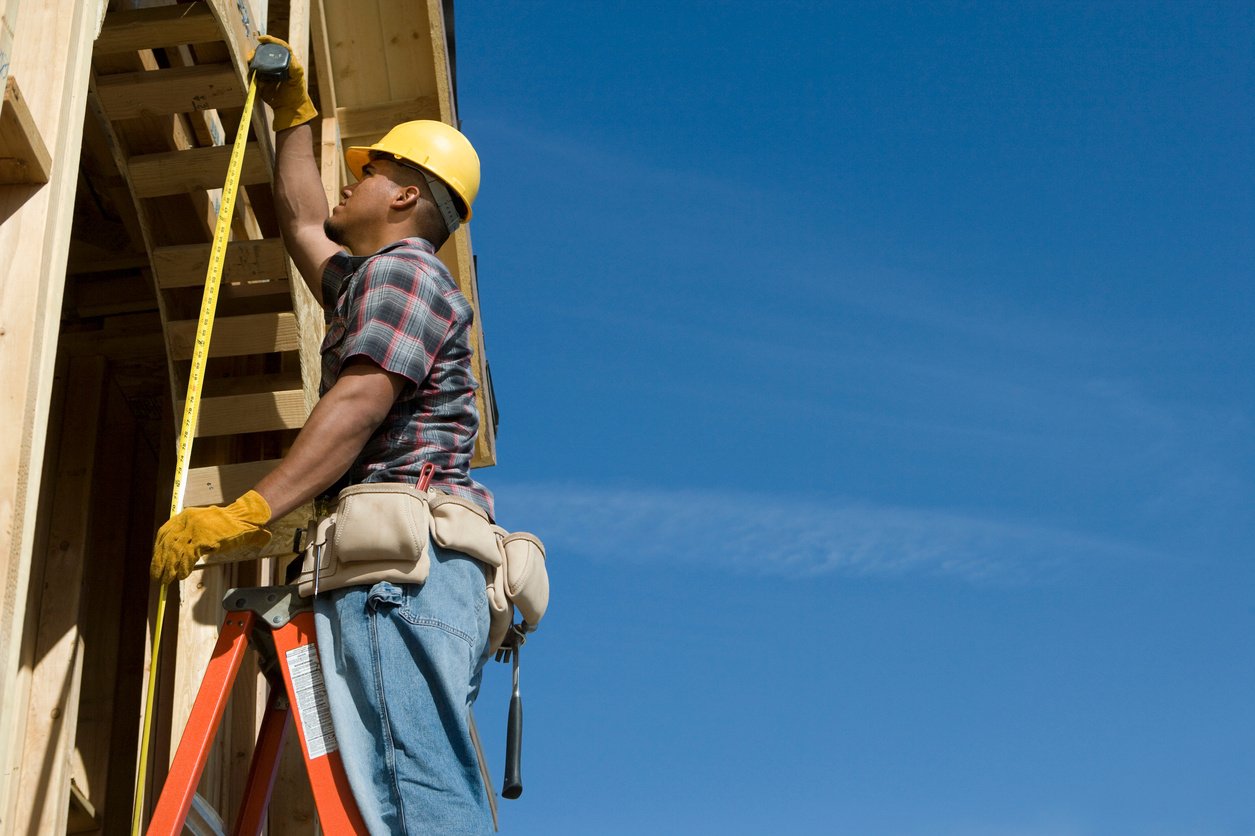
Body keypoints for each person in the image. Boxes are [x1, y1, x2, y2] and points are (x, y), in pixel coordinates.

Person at [150, 34, 496, 834]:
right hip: (401, 576)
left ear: (406, 197)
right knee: (399, 791)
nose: (352, 177)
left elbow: (359, 402)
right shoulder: (368, 278)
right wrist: (292, 113)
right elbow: (307, 222)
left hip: (402, 577)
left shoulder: (406, 275)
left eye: (371, 171)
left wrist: (249, 512)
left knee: (415, 796)